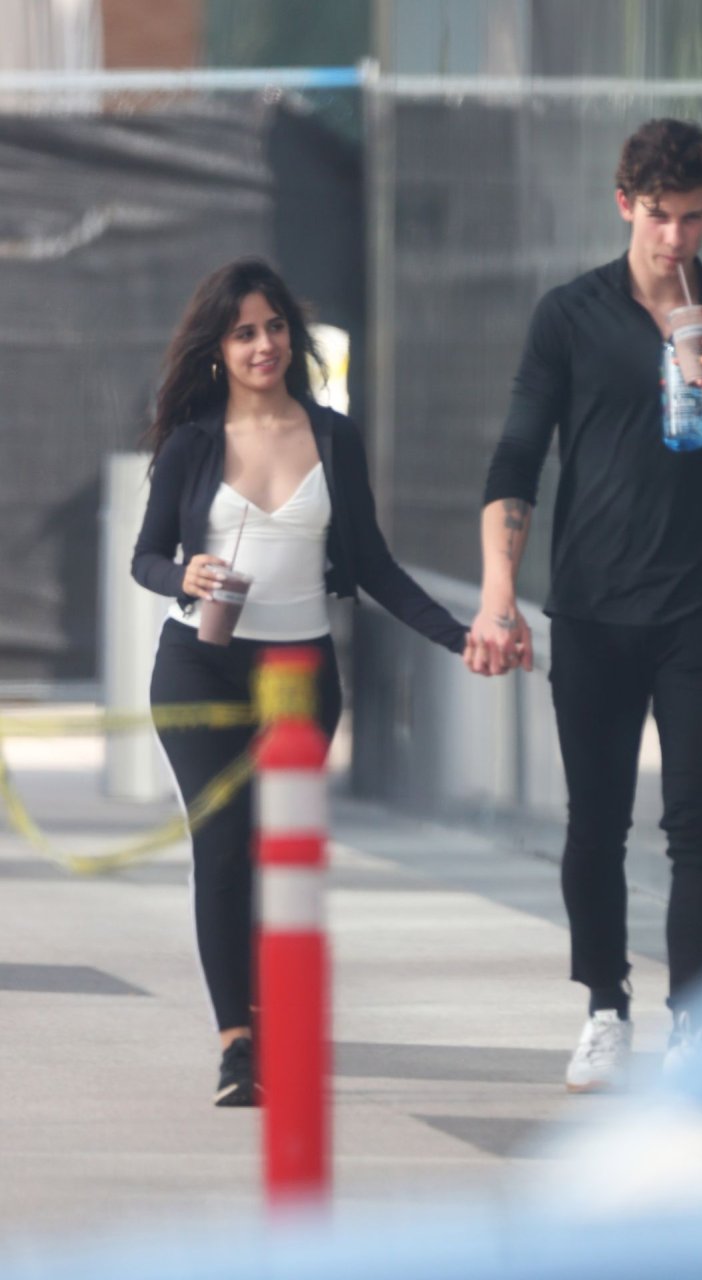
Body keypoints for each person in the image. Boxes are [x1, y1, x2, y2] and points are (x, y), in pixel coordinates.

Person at [465, 118, 702, 1090]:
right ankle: (604, 1009)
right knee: (595, 822)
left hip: (699, 608)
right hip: (592, 609)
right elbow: (515, 457)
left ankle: (695, 1026)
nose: (673, 237)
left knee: (697, 823)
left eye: (692, 218)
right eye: (658, 215)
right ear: (624, 204)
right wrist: (498, 597)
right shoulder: (569, 315)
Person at [132, 257, 468, 1106]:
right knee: (222, 848)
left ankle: (266, 1011)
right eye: (243, 332)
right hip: (199, 667)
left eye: (274, 326)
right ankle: (237, 1046)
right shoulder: (192, 443)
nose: (263, 345)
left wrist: (459, 638)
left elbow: (375, 566)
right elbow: (146, 558)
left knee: (276, 857)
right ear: (217, 349)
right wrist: (184, 577)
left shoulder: (333, 438)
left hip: (298, 676)